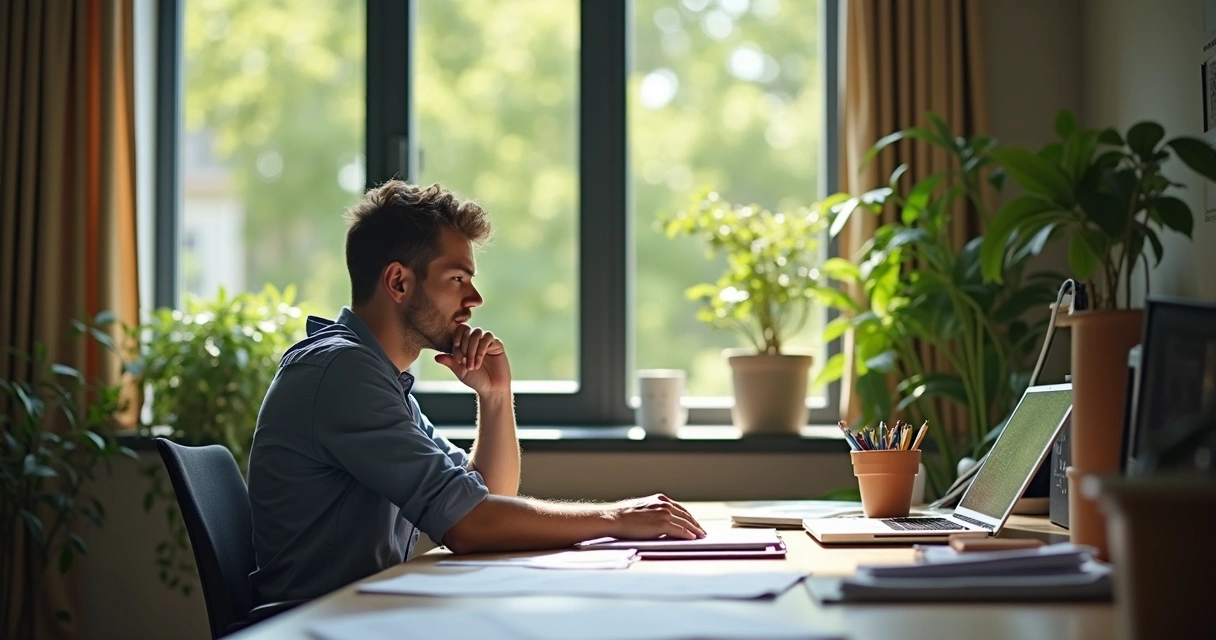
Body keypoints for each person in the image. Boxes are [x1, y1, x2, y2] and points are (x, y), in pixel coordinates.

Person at [247, 180, 705, 606]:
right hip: (318, 627)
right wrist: (616, 519)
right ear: (399, 282)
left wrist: (495, 396)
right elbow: (468, 526)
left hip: (365, 616)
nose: (475, 299)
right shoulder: (342, 373)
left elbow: (485, 498)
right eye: (458, 278)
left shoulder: (381, 380)